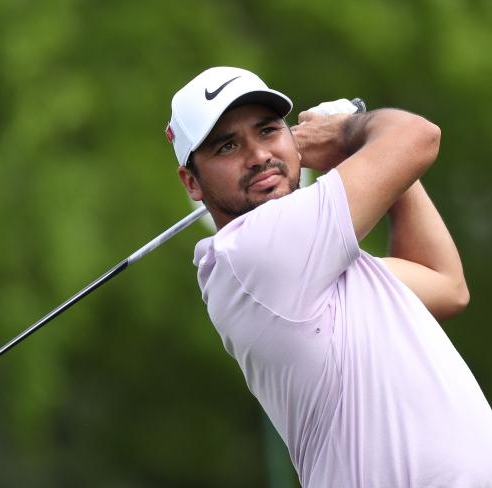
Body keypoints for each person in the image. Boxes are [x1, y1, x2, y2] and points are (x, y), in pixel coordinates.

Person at [166, 66, 492, 487]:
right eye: (227, 146)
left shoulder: (316, 267)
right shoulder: (251, 251)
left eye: (268, 131)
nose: (260, 155)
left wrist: (362, 154)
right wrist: (348, 131)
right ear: (192, 181)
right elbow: (418, 137)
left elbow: (444, 284)